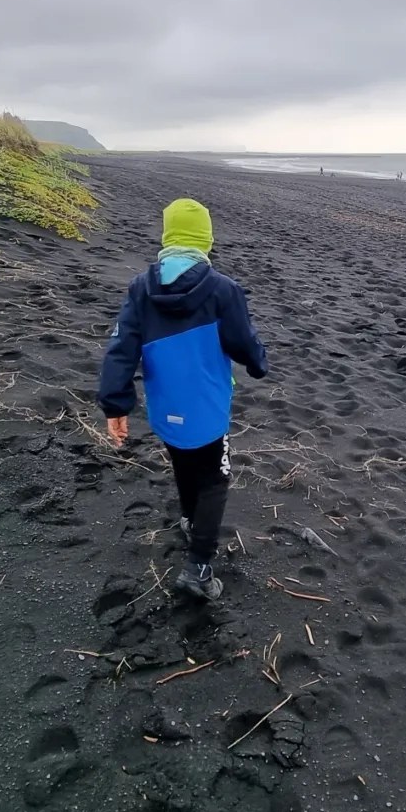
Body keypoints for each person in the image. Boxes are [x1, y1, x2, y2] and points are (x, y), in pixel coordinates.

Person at [97, 198, 268, 601]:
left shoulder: (141, 287)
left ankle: (191, 521)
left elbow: (121, 349)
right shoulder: (222, 289)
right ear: (205, 239)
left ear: (167, 235)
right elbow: (243, 341)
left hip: (164, 405)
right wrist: (258, 363)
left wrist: (115, 405)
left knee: (183, 462)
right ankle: (199, 569)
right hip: (206, 407)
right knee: (215, 479)